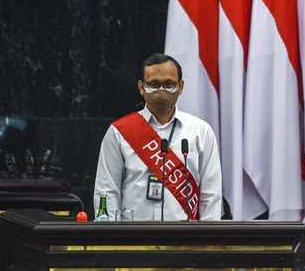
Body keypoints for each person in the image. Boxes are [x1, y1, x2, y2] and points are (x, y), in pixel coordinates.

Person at [93, 53, 222, 220]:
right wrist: (112, 240)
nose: (161, 91)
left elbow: (211, 195)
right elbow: (107, 190)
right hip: (134, 240)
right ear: (141, 87)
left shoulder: (200, 132)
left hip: (185, 240)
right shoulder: (119, 132)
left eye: (169, 84)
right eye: (153, 84)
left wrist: (206, 242)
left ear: (181, 86)